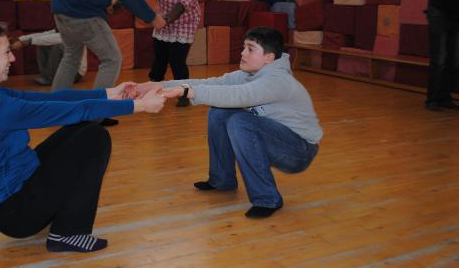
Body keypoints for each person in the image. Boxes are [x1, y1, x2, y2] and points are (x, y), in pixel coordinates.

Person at [0, 18, 166, 253]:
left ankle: (59, 219)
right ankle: (68, 233)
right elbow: (73, 110)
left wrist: (111, 93)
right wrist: (139, 106)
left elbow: (54, 99)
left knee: (83, 130)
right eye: (6, 52)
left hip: (16, 192)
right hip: (14, 212)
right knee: (95, 139)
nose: (12, 58)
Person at [136, 27, 323, 219]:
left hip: (299, 151)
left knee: (240, 122)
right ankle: (221, 180)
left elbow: (238, 95)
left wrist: (186, 91)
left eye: (250, 49)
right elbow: (210, 83)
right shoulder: (249, 74)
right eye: (244, 47)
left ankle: (267, 199)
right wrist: (160, 85)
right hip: (277, 139)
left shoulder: (277, 81)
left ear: (269, 58)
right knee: (219, 112)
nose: (242, 53)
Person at [137, 0, 202, 107]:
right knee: (159, 58)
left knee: (176, 60)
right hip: (163, 18)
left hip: (183, 23)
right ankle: (153, 89)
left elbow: (180, 7)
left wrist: (161, 20)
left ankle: (185, 94)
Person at [11, 30, 88, 86]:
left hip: (75, 73)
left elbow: (58, 38)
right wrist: (20, 39)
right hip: (65, 72)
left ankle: (51, 78)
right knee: (41, 43)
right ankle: (47, 76)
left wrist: (26, 42)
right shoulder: (63, 27)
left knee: (57, 46)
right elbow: (44, 35)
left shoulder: (76, 31)